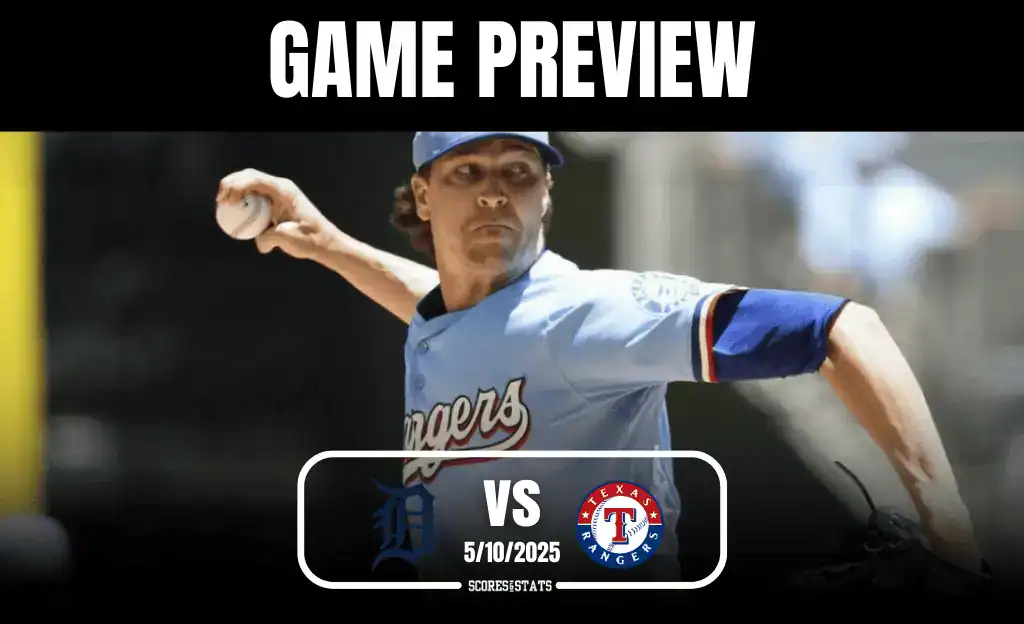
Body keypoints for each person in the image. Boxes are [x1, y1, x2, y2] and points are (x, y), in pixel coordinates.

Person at [217, 131, 984, 584]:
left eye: (518, 174)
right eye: (466, 174)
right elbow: (459, 315)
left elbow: (845, 330)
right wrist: (324, 245)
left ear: (546, 195)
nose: (493, 195)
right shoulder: (459, 316)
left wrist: (947, 524)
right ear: (423, 196)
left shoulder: (594, 313)